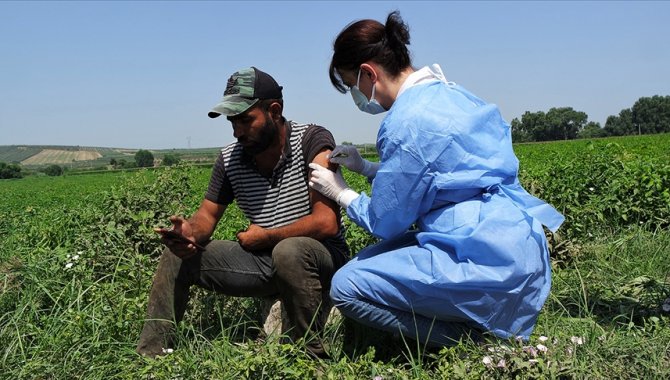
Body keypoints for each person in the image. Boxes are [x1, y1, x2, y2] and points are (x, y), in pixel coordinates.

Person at [308, 12, 564, 347]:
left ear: (369, 73)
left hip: (483, 261)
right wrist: (368, 168)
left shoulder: (404, 123)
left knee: (347, 287)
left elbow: (385, 222)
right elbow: (441, 173)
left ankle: (473, 341)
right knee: (384, 256)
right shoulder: (450, 93)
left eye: (353, 86)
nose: (357, 97)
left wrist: (341, 193)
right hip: (518, 245)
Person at [137, 67, 349, 359]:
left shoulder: (312, 141)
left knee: (289, 250)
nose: (237, 131)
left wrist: (268, 237)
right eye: (232, 122)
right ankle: (151, 356)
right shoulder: (230, 159)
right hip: (264, 264)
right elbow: (206, 218)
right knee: (176, 256)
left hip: (318, 260)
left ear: (274, 111)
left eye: (246, 120)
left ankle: (309, 360)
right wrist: (189, 233)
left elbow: (326, 224)